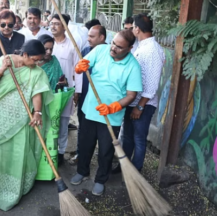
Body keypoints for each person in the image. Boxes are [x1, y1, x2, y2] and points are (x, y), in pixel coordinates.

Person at [0, 39, 53, 211]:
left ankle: (16, 188)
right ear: (24, 54)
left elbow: (38, 93)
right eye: (34, 59)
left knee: (20, 151)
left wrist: (37, 112)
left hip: (22, 119)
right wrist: (2, 70)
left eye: (39, 60)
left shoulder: (37, 72)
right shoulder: (4, 60)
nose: (37, 63)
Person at [73, 29, 142, 196]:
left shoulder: (133, 66)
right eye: (113, 43)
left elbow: (131, 95)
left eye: (119, 47)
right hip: (91, 108)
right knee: (85, 143)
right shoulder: (100, 50)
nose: (113, 48)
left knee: (105, 150)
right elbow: (83, 66)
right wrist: (79, 68)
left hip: (112, 116)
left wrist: (113, 107)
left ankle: (100, 180)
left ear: (129, 48)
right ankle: (82, 171)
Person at [116, 14, 165, 173]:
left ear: (137, 29)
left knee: (138, 139)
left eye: (133, 27)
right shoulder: (141, 45)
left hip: (142, 104)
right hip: (132, 101)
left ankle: (136, 172)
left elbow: (151, 84)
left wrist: (140, 106)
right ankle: (125, 167)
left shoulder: (152, 50)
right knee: (127, 137)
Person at [69, 25, 106, 167]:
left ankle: (102, 162)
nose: (88, 39)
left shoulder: (108, 53)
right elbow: (78, 74)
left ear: (101, 38)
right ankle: (81, 156)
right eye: (88, 36)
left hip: (101, 101)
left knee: (102, 134)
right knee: (83, 130)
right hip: (85, 98)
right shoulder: (85, 51)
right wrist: (77, 92)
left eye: (92, 36)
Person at [50, 14, 80, 165]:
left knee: (63, 122)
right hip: (48, 90)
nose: (53, 26)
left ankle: (61, 152)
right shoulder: (48, 44)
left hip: (65, 91)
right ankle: (48, 150)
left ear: (65, 27)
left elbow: (78, 70)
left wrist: (77, 91)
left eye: (57, 24)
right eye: (52, 23)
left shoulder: (72, 46)